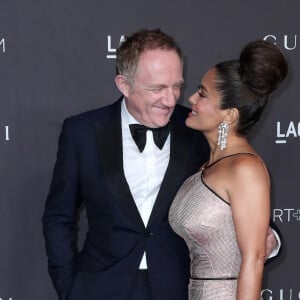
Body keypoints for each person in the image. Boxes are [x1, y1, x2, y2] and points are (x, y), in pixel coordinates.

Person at [42, 29, 280, 300]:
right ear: (124, 84)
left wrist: (266, 241)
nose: (171, 100)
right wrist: (69, 289)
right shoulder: (81, 132)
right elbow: (58, 218)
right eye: (157, 88)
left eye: (177, 85)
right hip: (99, 288)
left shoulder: (196, 128)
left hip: (177, 289)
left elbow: (244, 202)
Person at [169, 40, 288, 299]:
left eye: (202, 94)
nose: (191, 99)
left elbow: (254, 260)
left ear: (229, 115)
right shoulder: (207, 165)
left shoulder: (245, 169)